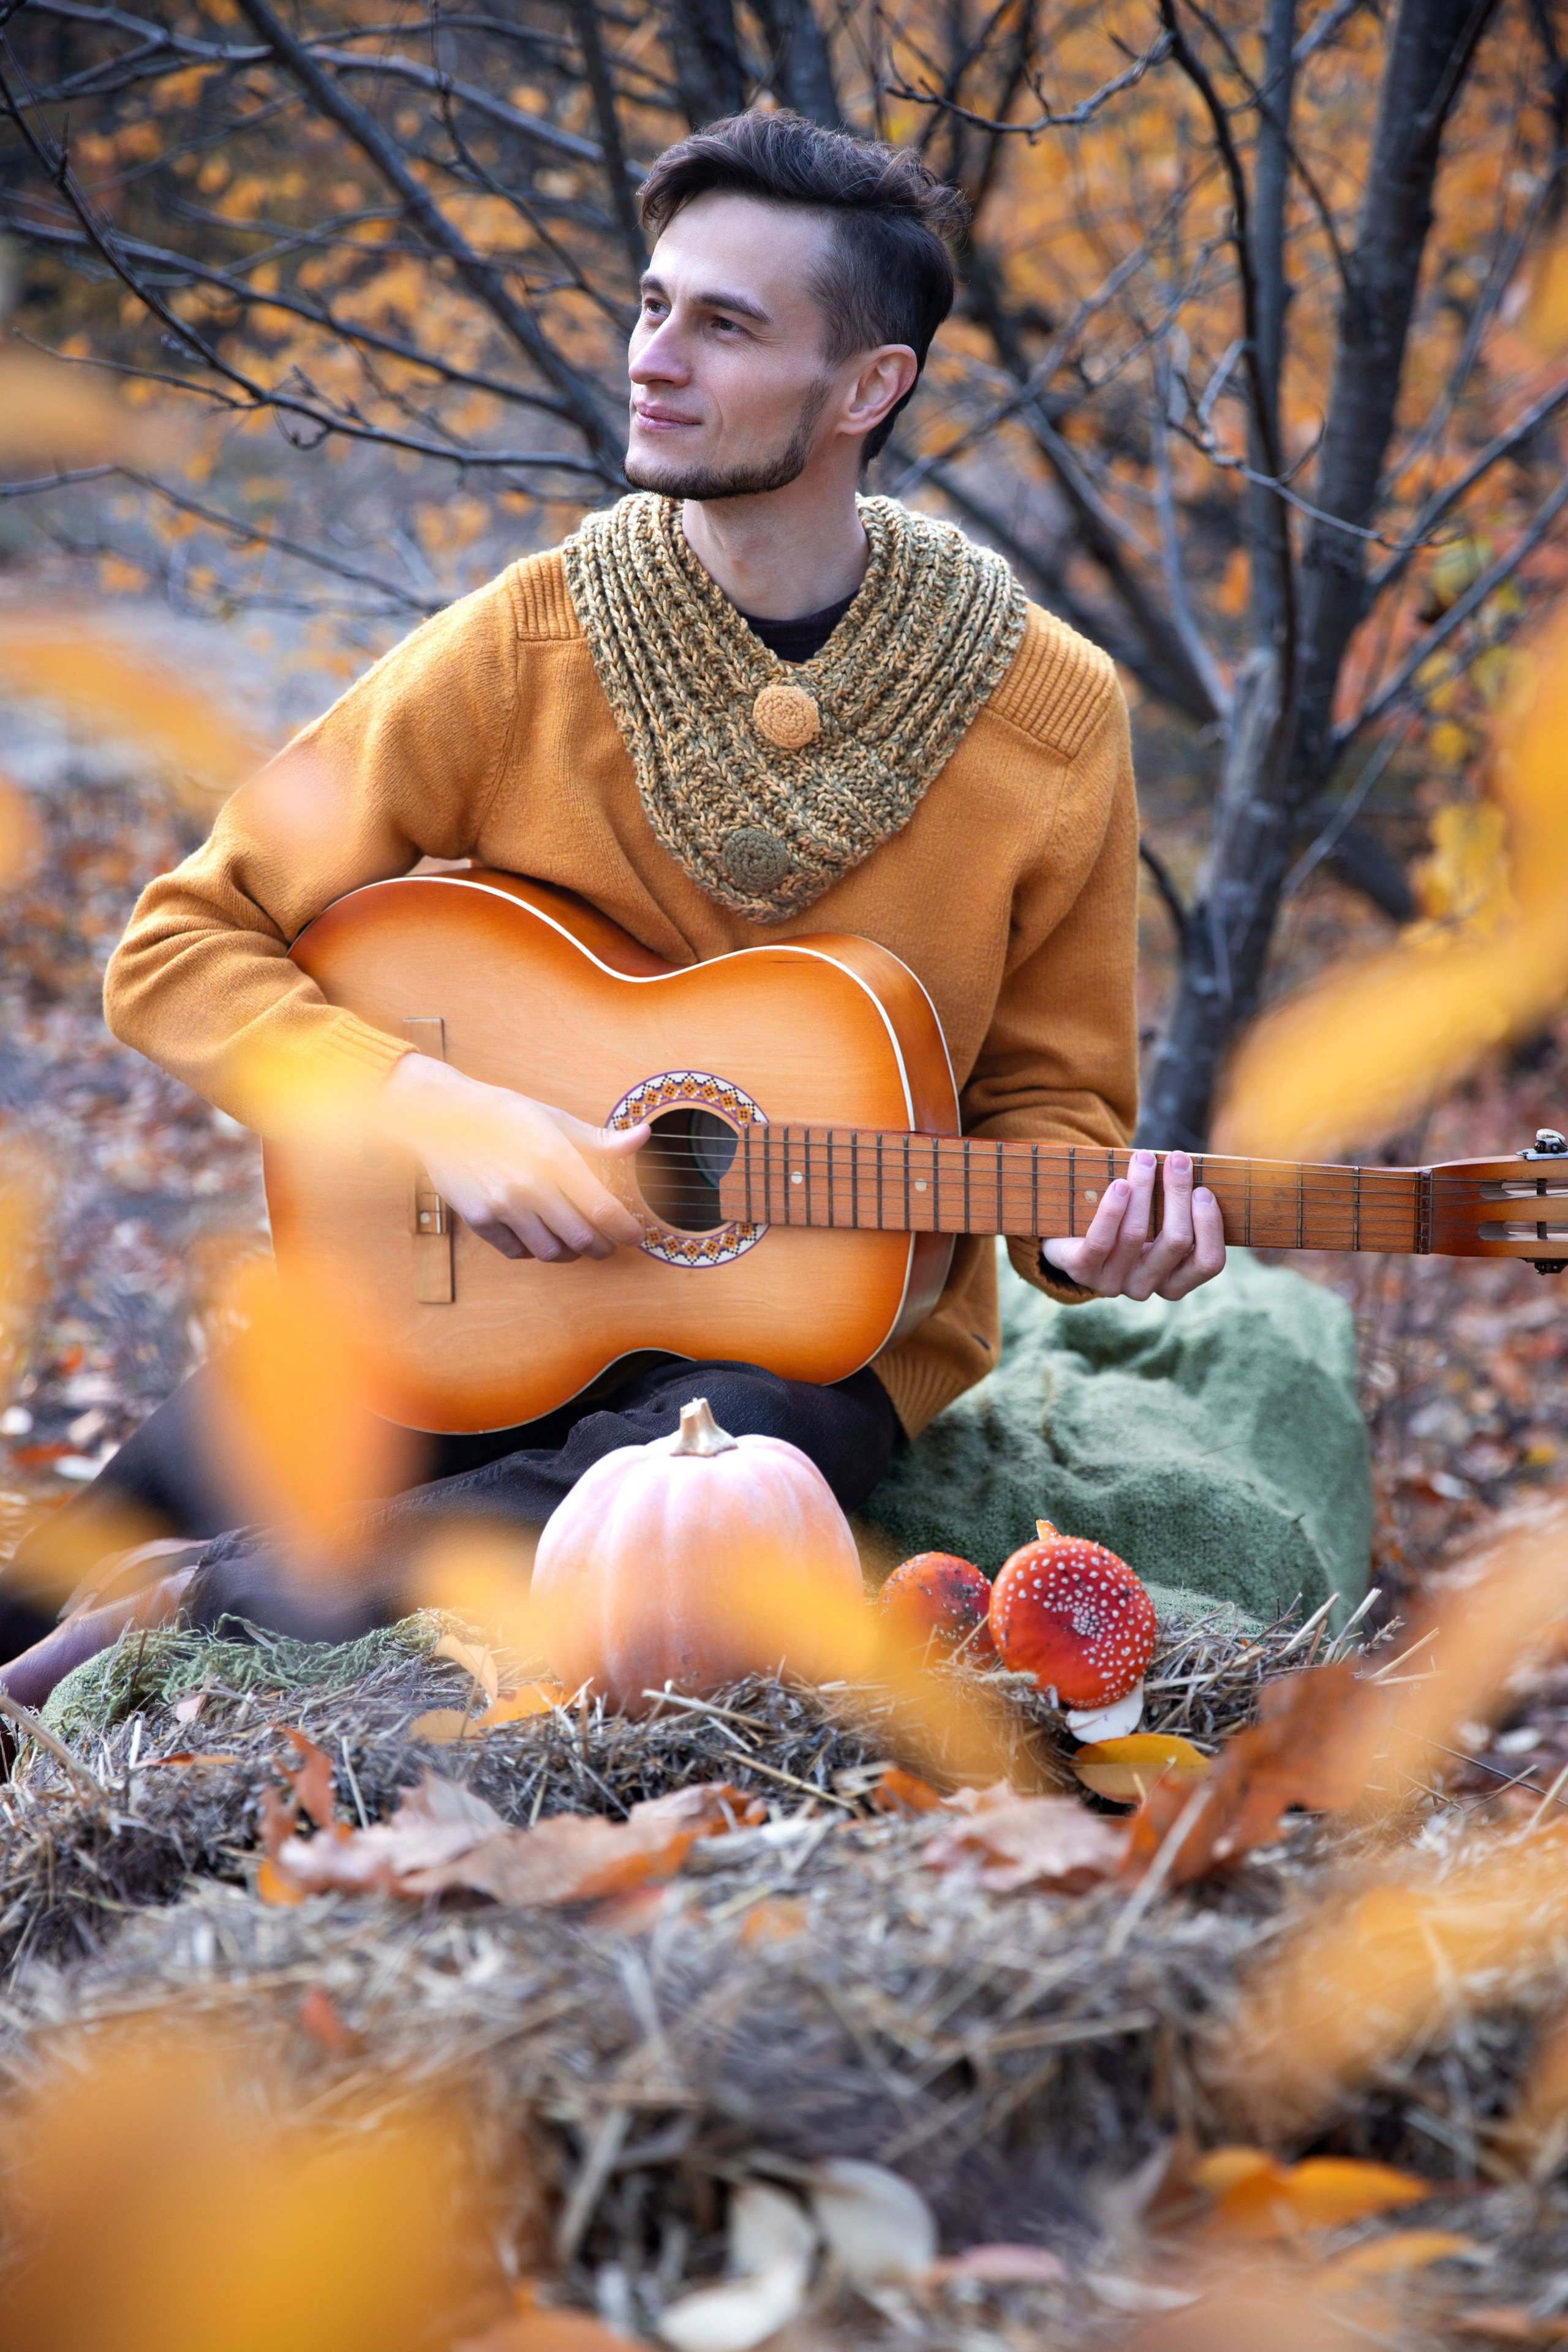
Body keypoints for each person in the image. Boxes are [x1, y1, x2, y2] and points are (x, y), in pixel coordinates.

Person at [0, 108, 1224, 1690]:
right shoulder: (529, 646)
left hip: (810, 1351)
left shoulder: (1048, 716)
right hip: (464, 1303)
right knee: (38, 1597)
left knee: (715, 1480)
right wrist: (434, 1108)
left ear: (868, 388)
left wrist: (1091, 1243)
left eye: (725, 325)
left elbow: (1054, 1107)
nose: (653, 356)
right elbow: (178, 947)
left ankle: (213, 1603)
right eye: (654, 305)